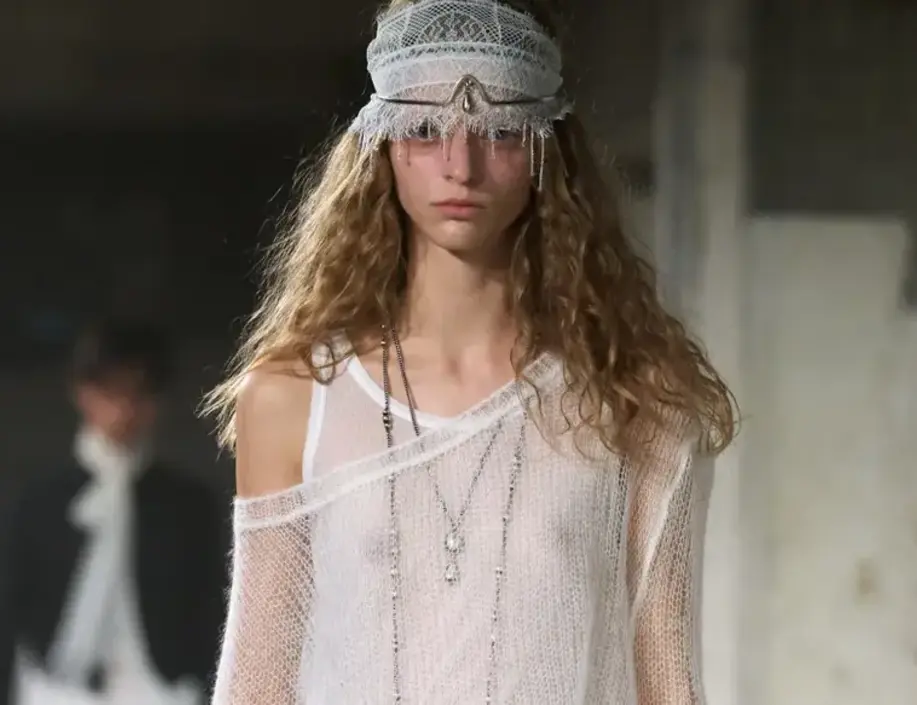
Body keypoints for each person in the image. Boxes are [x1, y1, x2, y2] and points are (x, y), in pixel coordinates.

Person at [203, 0, 737, 703]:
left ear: (546, 146)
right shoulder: (294, 399)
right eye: (425, 130)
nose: (461, 165)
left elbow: (667, 681)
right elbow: (257, 682)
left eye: (500, 131)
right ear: (381, 143)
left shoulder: (633, 398)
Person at [0, 317, 228, 705]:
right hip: (53, 689)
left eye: (139, 394)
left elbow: (208, 613)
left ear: (158, 402)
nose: (124, 409)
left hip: (161, 690)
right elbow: (12, 609)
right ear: (82, 391)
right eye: (110, 391)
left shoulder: (190, 505)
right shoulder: (39, 500)